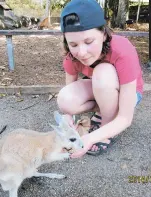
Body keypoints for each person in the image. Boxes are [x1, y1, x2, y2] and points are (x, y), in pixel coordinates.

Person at [57, 0, 144, 158]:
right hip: (102, 88)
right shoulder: (71, 56)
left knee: (103, 72)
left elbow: (125, 118)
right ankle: (104, 111)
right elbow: (70, 87)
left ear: (104, 34)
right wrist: (68, 118)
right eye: (73, 44)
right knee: (65, 100)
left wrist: (90, 138)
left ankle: (106, 128)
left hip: (130, 94)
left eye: (89, 42)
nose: (81, 52)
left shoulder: (122, 49)